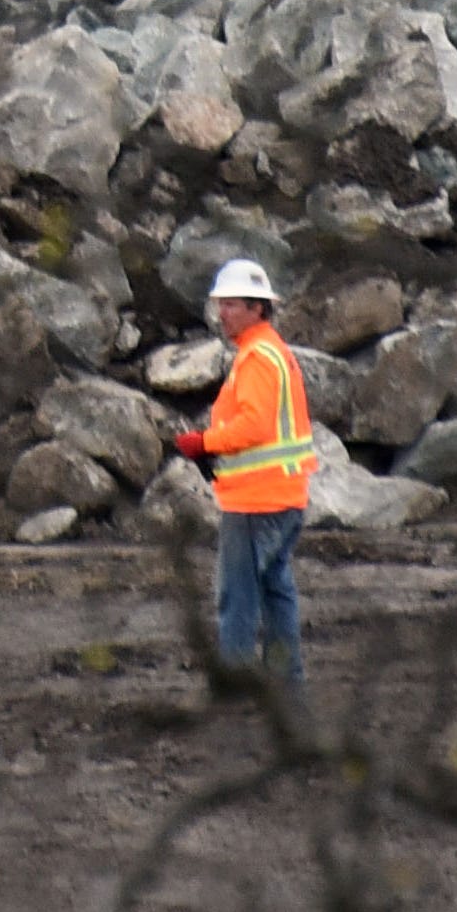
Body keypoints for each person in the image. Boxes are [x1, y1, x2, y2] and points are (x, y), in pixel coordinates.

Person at [173, 257, 313, 694]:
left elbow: (254, 427)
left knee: (239, 597)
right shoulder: (273, 352)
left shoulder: (256, 358)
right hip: (283, 496)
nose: (223, 313)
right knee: (276, 592)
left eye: (232, 305)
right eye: (221, 304)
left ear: (258, 308)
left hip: (256, 502)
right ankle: (285, 681)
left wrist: (204, 443)